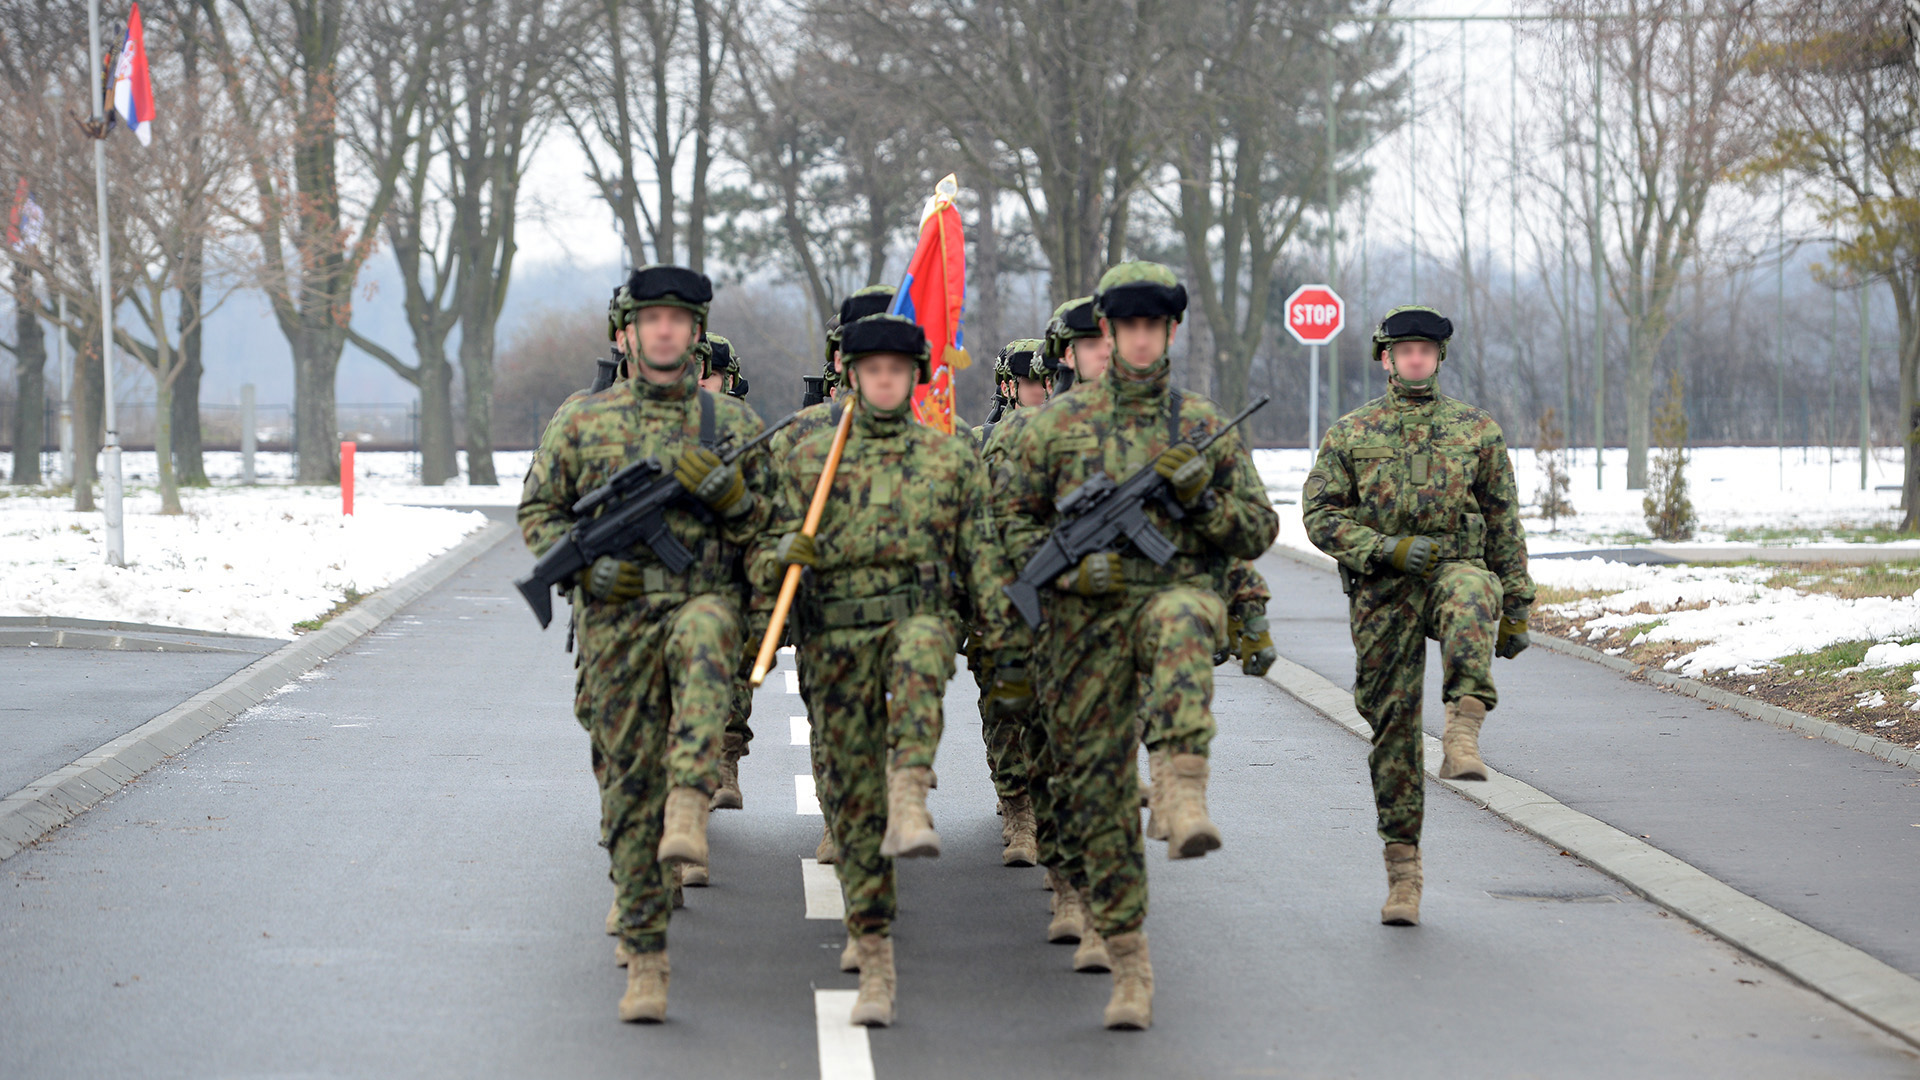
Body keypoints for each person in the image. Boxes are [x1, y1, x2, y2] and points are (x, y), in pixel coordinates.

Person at [1002, 262, 1279, 1029]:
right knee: (1096, 802)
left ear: (1170, 333)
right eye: (1127, 328)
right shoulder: (1054, 426)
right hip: (1078, 634)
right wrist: (1067, 566)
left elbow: (1257, 532)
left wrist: (1201, 496)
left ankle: (1184, 783)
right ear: (1108, 333)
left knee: (1186, 614)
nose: (1140, 339)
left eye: (1154, 327)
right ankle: (1128, 962)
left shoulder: (1198, 422)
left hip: (1167, 599)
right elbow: (1008, 527)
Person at [752, 313, 1026, 1027]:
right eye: (871, 368)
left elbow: (984, 558)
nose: (883, 379)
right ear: (850, 374)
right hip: (835, 634)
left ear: (914, 378)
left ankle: (911, 783)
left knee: (920, 655)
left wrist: (1003, 641)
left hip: (918, 617)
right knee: (850, 800)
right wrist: (783, 557)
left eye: (897, 370)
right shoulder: (806, 452)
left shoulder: (949, 457)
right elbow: (755, 546)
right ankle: (872, 949)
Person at [518, 264, 769, 1023]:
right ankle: (646, 947)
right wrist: (592, 564)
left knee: (703, 646)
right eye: (650, 319)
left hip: (700, 605)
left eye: (678, 320)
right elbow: (539, 511)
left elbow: (778, 528)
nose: (664, 330)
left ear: (695, 334)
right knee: (628, 788)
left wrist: (731, 497)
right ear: (625, 333)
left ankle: (692, 798)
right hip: (614, 624)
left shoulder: (730, 427)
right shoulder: (583, 422)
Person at [1299, 304, 1534, 927]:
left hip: (1453, 569)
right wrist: (1384, 548)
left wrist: (1516, 605)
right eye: (1404, 350)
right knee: (1392, 725)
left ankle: (1464, 727)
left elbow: (1504, 521)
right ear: (1385, 358)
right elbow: (1319, 516)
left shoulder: (1475, 430)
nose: (1415, 359)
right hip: (1382, 590)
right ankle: (1403, 871)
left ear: (1439, 358)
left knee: (1470, 589)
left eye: (1425, 351)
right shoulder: (1352, 433)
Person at [768, 284, 896, 868]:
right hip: (827, 607)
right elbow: (767, 523)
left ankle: (878, 803)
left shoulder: (935, 431)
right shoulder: (801, 433)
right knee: (831, 709)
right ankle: (837, 814)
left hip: (902, 605)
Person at [974, 337, 1048, 868]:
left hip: (1063, 596)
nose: (1042, 391)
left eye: (1049, 380)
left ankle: (1053, 807)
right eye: (1030, 382)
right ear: (1007, 386)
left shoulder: (1074, 436)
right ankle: (1017, 806)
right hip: (1002, 595)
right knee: (1004, 703)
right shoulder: (982, 444)